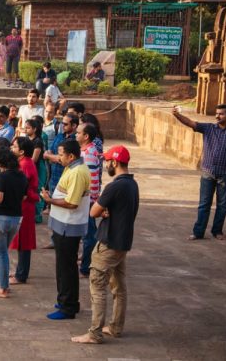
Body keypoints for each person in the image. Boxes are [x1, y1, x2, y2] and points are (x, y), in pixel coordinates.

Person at [71, 145, 139, 345]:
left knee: (98, 286)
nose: (105, 164)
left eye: (107, 160)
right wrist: (105, 210)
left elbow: (93, 211)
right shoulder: (132, 184)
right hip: (123, 242)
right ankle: (116, 327)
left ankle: (95, 333)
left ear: (115, 162)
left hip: (109, 242)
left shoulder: (115, 186)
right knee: (119, 287)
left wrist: (102, 210)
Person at [172, 104, 226, 240]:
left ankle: (217, 231)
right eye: (217, 113)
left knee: (222, 205)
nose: (217, 116)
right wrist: (177, 115)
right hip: (208, 172)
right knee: (204, 204)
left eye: (221, 114)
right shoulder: (209, 128)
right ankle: (198, 232)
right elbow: (191, 123)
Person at [41, 140, 91, 320]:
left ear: (71, 156)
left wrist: (49, 200)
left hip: (68, 226)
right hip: (63, 224)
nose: (59, 157)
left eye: (61, 154)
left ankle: (67, 306)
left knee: (66, 267)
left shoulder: (77, 172)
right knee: (63, 266)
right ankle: (66, 300)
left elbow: (72, 202)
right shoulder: (71, 167)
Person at [0, 147, 26, 298]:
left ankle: (3, 288)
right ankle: (5, 285)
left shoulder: (1, 177)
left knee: (1, 253)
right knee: (4, 252)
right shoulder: (21, 176)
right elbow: (24, 197)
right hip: (16, 218)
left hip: (1, 218)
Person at [9, 137, 39, 285]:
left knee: (24, 241)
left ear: (21, 151)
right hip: (23, 205)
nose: (11, 148)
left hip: (25, 206)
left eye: (14, 147)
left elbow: (22, 187)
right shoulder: (23, 163)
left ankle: (21, 275)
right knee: (21, 240)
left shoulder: (25, 164)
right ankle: (20, 271)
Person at [77, 123, 103, 278]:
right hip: (86, 199)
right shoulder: (86, 151)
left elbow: (92, 179)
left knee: (89, 234)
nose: (76, 134)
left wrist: (90, 199)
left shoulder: (89, 154)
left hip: (87, 200)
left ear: (86, 136)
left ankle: (86, 267)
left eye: (79, 132)